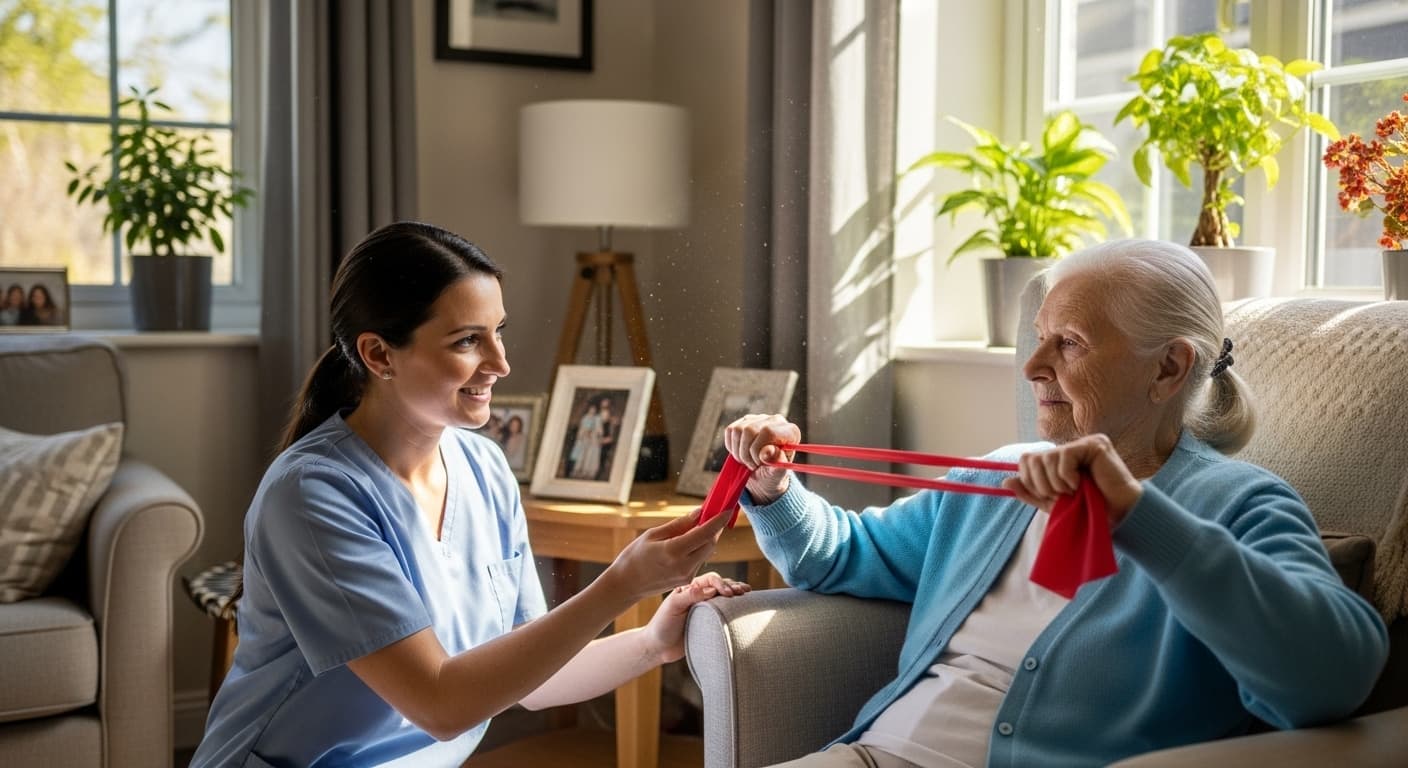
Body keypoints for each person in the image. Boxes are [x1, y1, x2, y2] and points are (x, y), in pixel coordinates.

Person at [722, 239, 1388, 768]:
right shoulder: (999, 477)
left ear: (1168, 368)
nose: (1034, 364)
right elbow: (843, 555)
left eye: (1069, 342)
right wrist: (774, 489)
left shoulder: (1238, 503)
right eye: (1041, 336)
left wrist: (1139, 516)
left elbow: (1330, 679)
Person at [190, 221, 744, 767]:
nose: (500, 364)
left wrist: (652, 642)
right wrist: (621, 584)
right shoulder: (312, 496)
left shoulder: (484, 466)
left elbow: (529, 675)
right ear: (380, 355)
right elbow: (441, 703)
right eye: (467, 341)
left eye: (497, 331)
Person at [567, 401, 601, 479]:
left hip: (591, 439)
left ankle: (586, 471)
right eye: (591, 409)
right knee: (580, 455)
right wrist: (582, 434)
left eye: (594, 409)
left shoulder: (596, 418)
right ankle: (577, 470)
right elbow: (581, 428)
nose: (592, 411)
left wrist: (592, 432)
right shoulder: (585, 417)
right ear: (588, 409)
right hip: (583, 438)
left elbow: (598, 430)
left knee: (589, 455)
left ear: (595, 410)